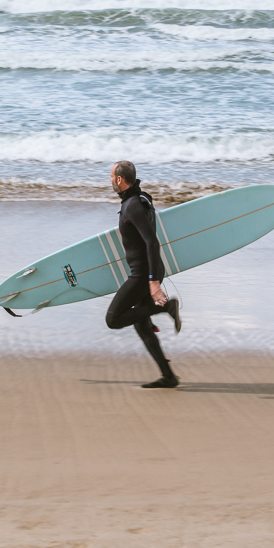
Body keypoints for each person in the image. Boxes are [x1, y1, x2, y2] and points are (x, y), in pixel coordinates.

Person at [105, 160, 182, 388]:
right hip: (147, 270)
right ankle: (168, 376)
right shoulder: (142, 198)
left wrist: (152, 282)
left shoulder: (132, 206)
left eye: (111, 176)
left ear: (119, 179)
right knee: (141, 325)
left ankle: (166, 307)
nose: (110, 180)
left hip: (142, 275)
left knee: (113, 319)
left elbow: (151, 242)